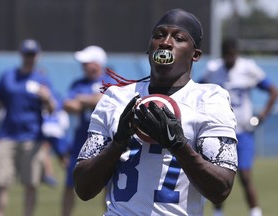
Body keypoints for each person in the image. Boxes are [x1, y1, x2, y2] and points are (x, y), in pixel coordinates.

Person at [73, 8, 238, 216]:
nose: (166, 42)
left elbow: (221, 189)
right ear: (149, 49)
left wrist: (179, 146)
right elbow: (83, 188)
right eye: (159, 35)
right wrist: (117, 144)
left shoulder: (209, 99)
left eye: (178, 38)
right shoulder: (116, 98)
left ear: (195, 55)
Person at [199, 38, 278, 216]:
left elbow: (273, 90)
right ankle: (218, 212)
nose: (229, 60)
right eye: (227, 56)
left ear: (236, 54)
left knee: (244, 174)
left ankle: (255, 212)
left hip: (242, 131)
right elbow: (196, 88)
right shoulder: (213, 70)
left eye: (232, 56)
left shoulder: (248, 69)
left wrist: (261, 116)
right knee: (216, 175)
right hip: (219, 131)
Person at [0, 39, 57, 216]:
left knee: (30, 184)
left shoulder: (42, 80)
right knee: (1, 181)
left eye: (32, 54)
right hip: (7, 136)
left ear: (38, 56)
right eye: (27, 54)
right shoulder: (8, 76)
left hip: (32, 138)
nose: (29, 58)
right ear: (21, 55)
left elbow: (52, 109)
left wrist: (47, 98)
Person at [61, 45, 109, 216]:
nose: (83, 66)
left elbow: (105, 100)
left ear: (97, 63)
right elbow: (68, 104)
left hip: (106, 142)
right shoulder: (78, 83)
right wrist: (92, 100)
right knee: (70, 184)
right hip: (80, 141)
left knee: (108, 186)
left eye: (87, 63)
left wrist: (83, 99)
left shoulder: (109, 81)